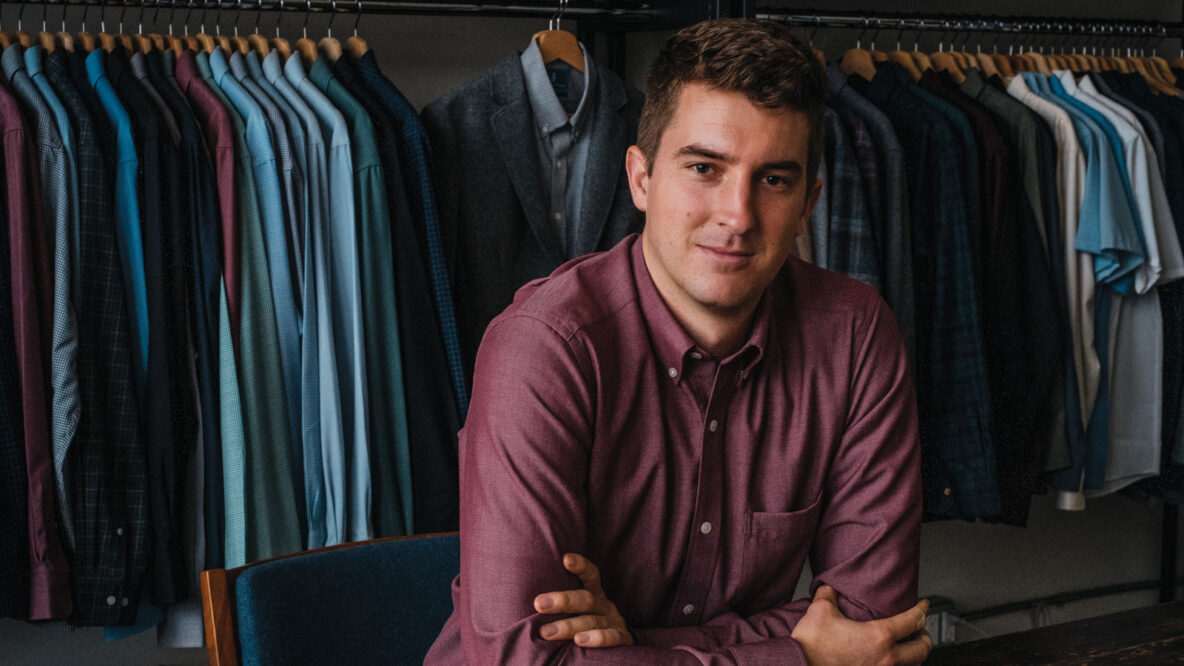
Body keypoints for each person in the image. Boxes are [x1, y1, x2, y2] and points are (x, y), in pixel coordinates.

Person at [426, 18, 931, 665]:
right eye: (704, 167)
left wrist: (636, 645)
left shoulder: (855, 335)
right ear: (640, 178)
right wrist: (791, 653)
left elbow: (871, 627)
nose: (737, 216)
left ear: (810, 202)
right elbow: (526, 663)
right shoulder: (545, 350)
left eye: (773, 179)